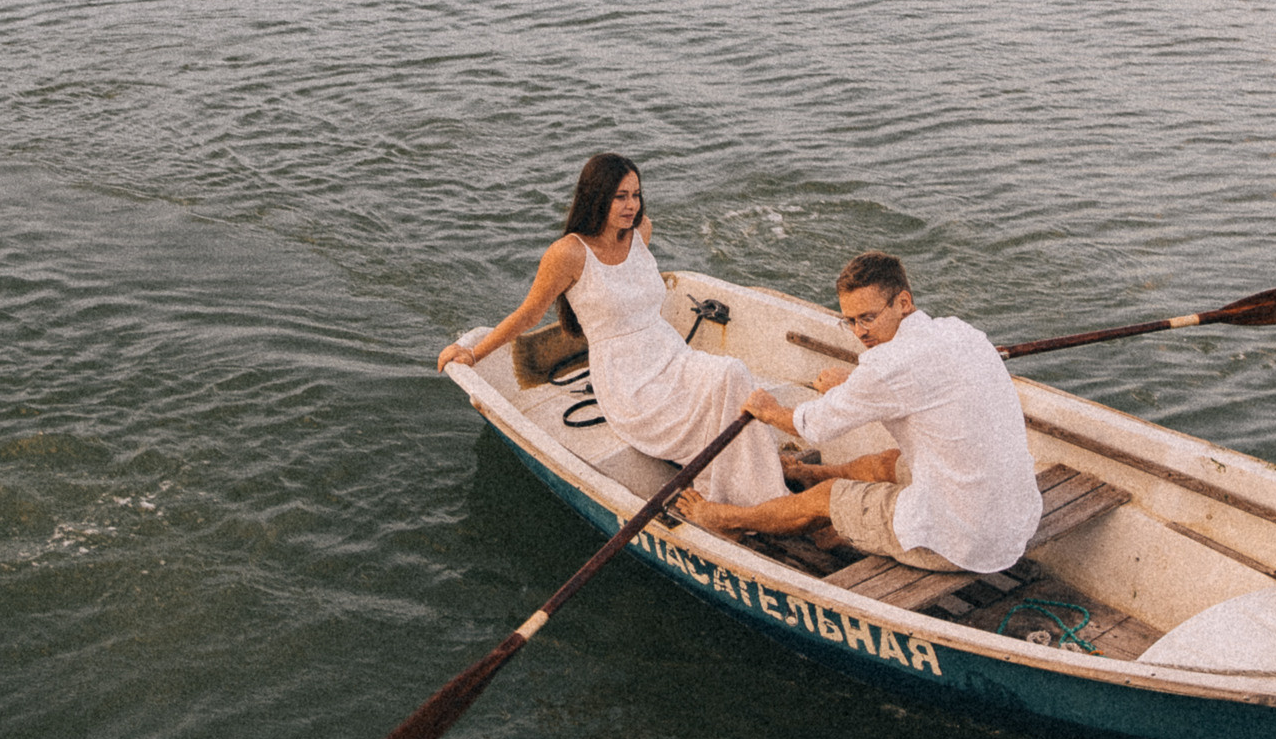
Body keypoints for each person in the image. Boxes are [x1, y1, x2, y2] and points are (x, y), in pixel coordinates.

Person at [436, 153, 790, 508]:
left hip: (671, 355)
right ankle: (757, 501)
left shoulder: (641, 231)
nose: (631, 205)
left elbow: (633, 290)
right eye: (620, 196)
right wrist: (473, 353)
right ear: (596, 196)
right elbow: (530, 314)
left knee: (732, 375)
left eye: (635, 194)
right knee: (728, 379)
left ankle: (756, 495)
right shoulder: (568, 253)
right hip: (628, 381)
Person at [675, 250, 1043, 574]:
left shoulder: (888, 365)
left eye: (867, 318)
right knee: (890, 462)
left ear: (903, 302)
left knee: (829, 496)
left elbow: (812, 427)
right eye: (849, 320)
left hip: (961, 545)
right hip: (1016, 522)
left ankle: (729, 518)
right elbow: (909, 386)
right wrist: (852, 383)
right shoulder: (961, 333)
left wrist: (769, 411)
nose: (859, 332)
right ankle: (807, 473)